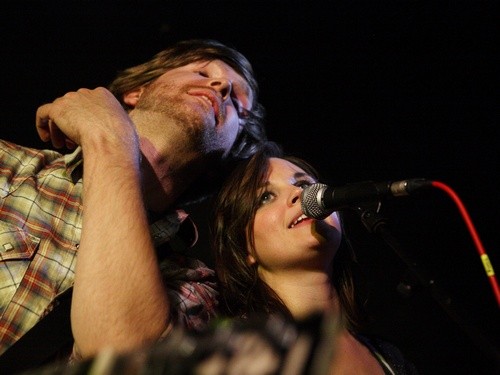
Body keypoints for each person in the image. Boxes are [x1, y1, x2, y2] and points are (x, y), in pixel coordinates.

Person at [0, 38, 267, 368]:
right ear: (136, 92)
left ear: (229, 150)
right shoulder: (8, 164)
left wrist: (109, 138)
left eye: (239, 104)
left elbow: (119, 357)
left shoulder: (196, 286)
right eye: (201, 71)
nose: (221, 85)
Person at [210, 141, 419, 374]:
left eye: (303, 183)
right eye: (266, 196)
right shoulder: (241, 357)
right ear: (244, 247)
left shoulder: (388, 356)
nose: (298, 193)